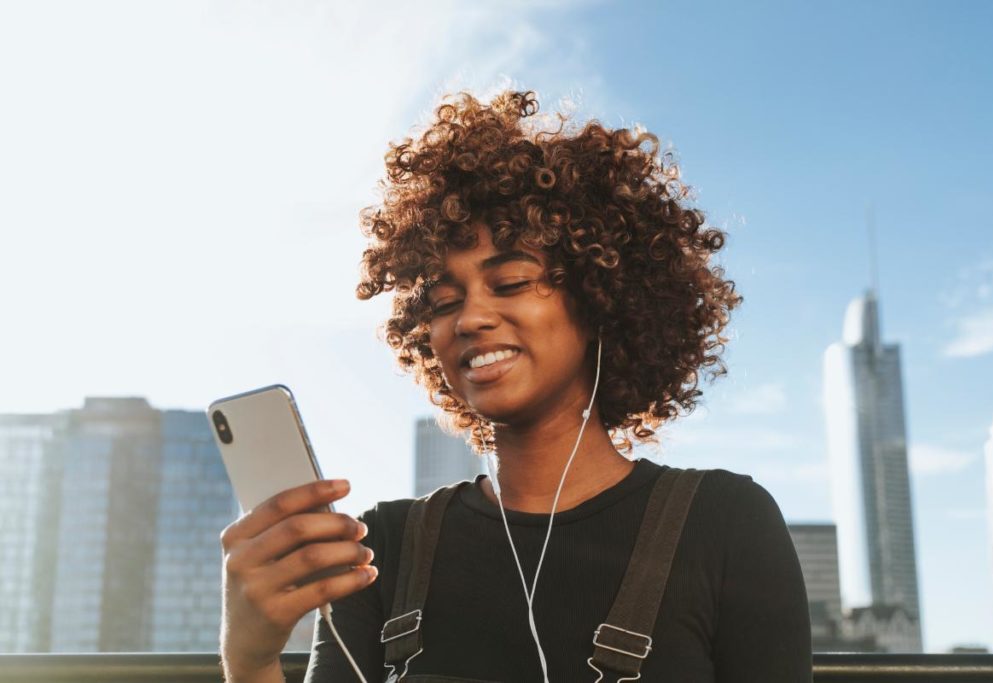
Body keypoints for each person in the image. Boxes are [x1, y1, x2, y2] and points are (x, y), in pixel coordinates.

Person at [219, 90, 811, 683]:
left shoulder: (725, 523)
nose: (469, 317)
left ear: (600, 301)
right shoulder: (384, 549)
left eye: (509, 282)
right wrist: (250, 658)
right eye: (445, 300)